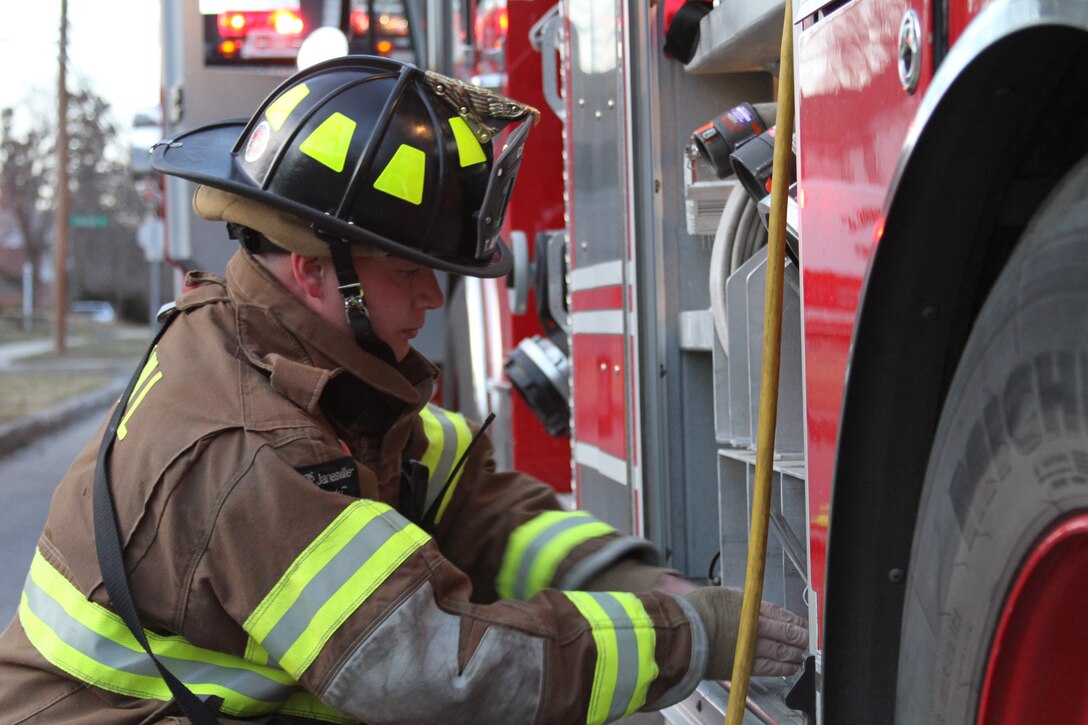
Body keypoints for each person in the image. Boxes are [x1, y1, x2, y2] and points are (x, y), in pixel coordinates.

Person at [0, 56, 806, 724]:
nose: (431, 297)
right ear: (316, 270)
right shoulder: (253, 447)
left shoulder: (291, 355)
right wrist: (683, 635)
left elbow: (459, 497)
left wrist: (628, 577)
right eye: (408, 268)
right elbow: (435, 674)